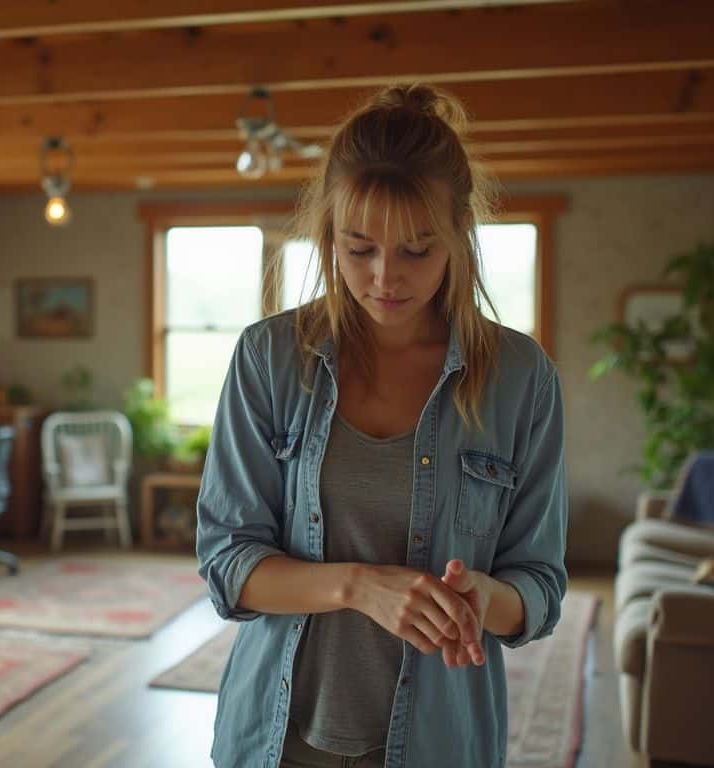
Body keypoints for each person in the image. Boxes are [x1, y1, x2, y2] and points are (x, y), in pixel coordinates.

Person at [195, 84, 568, 768]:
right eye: (358, 248)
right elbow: (227, 563)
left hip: (440, 741)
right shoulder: (269, 358)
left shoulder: (522, 378)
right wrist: (359, 586)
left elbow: (540, 586)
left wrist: (485, 598)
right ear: (326, 233)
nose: (385, 278)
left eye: (418, 251)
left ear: (459, 235)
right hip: (278, 737)